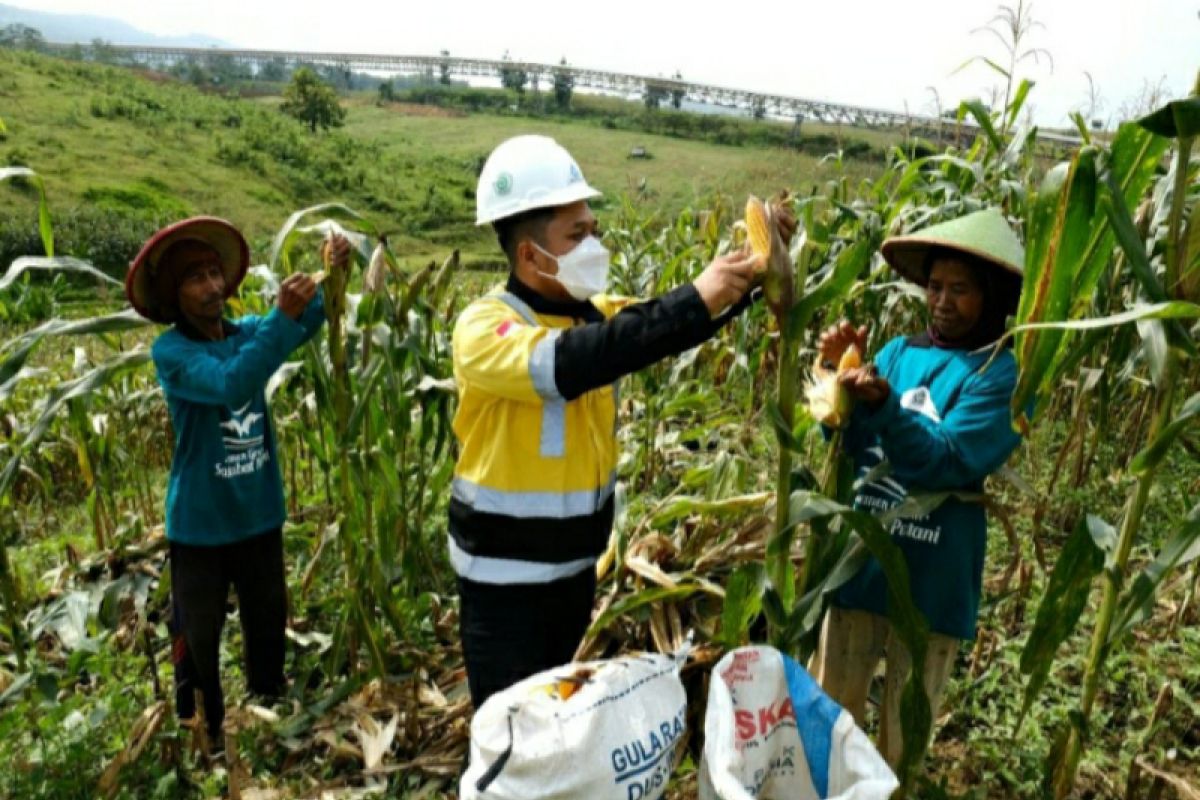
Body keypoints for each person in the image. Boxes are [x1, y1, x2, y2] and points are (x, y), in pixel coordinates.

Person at [450, 134, 763, 707]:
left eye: (592, 228)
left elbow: (660, 326)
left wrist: (755, 270)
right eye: (577, 235)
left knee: (562, 733)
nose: (594, 242)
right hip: (503, 590)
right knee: (511, 740)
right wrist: (694, 299)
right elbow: (574, 362)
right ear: (529, 256)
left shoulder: (595, 317)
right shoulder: (484, 328)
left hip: (574, 578)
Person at [125, 217, 351, 750]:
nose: (211, 286)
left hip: (257, 513)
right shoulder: (173, 353)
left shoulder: (247, 331)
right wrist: (281, 319)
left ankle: (269, 715)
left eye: (213, 273)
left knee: (267, 624)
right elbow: (233, 383)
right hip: (201, 525)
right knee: (198, 640)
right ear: (174, 296)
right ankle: (206, 734)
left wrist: (332, 270)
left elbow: (312, 316)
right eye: (194, 279)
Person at [810, 208, 1025, 767]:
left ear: (993, 297)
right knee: (830, 719)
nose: (943, 301)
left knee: (901, 742)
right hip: (860, 565)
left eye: (961, 289)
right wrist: (837, 375)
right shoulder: (899, 352)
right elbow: (851, 441)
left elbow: (946, 459)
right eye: (934, 286)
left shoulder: (998, 375)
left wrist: (882, 404)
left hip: (931, 581)